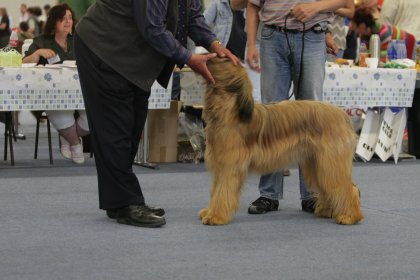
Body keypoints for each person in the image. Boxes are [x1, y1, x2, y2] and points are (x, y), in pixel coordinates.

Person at [74, 0, 240, 228]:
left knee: (132, 128)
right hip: (105, 49)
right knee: (115, 130)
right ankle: (126, 203)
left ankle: (117, 200)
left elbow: (192, 17)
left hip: (131, 55)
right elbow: (152, 27)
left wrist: (214, 43)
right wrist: (188, 58)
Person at [246, 0, 346, 214]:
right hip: (272, 38)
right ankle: (268, 194)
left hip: (312, 36)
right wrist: (251, 44)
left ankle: (312, 194)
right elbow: (253, 5)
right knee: (271, 118)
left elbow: (345, 2)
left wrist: (315, 8)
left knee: (312, 121)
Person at [23, 4, 89, 164]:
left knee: (95, 116)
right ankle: (75, 143)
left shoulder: (79, 39)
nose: (68, 22)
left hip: (82, 90)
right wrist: (37, 53)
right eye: (63, 18)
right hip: (53, 94)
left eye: (70, 18)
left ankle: (67, 137)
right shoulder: (41, 41)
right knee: (62, 113)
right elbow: (23, 62)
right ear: (54, 22)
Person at [352, 7, 416, 62]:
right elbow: (365, 55)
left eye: (355, 26)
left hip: (407, 42)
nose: (355, 29)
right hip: (394, 44)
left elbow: (384, 58)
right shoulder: (364, 35)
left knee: (406, 66)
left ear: (362, 25)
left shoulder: (384, 32)